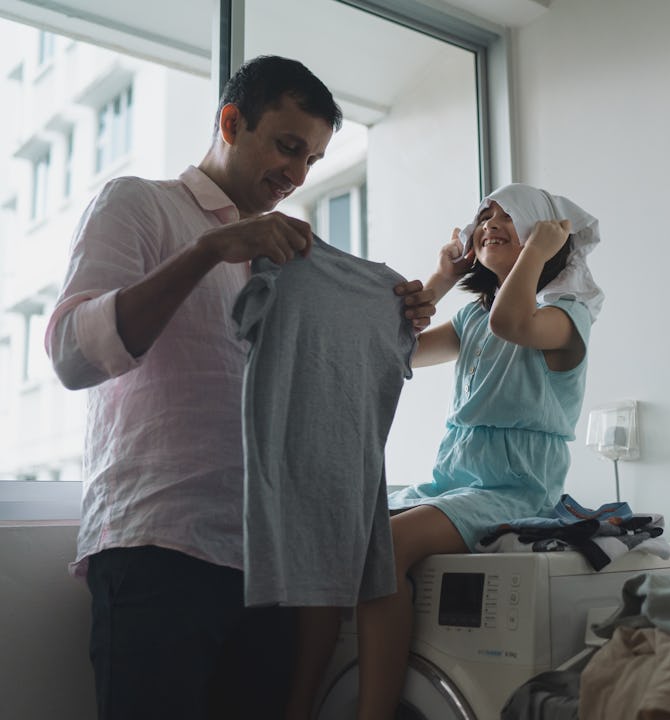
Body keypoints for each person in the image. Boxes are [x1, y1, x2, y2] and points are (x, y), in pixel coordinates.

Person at [44, 55, 434, 720]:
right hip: (157, 549)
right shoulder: (139, 204)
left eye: (311, 160)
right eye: (287, 147)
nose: (297, 175)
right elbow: (70, 357)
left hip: (269, 566)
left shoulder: (289, 261)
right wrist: (206, 251)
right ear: (230, 121)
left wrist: (398, 318)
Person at [350, 183, 604, 719]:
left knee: (387, 545)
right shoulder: (471, 319)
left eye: (509, 216)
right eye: (483, 215)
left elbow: (510, 322)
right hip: (455, 481)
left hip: (515, 488)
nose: (489, 220)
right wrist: (441, 279)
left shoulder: (565, 317)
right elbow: (398, 351)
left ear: (543, 234)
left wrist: (536, 253)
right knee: (350, 525)